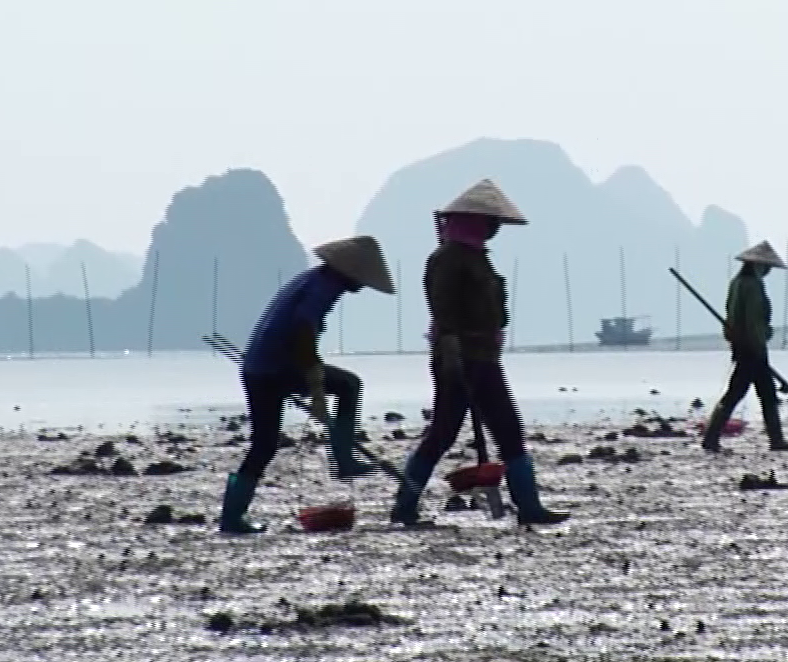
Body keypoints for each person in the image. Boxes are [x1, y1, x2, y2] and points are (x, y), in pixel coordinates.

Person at [391, 179, 569, 527]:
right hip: (459, 358)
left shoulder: (476, 258)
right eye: (491, 222)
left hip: (484, 357)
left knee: (505, 430)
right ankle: (405, 505)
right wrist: (454, 351)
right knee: (444, 432)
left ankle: (529, 505)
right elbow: (442, 308)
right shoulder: (446, 258)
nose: (495, 228)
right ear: (474, 221)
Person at [220, 235, 395, 534]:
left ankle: (231, 516)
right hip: (278, 367)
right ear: (350, 271)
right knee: (349, 385)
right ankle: (342, 458)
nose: (362, 285)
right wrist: (315, 388)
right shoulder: (326, 287)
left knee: (263, 446)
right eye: (362, 279)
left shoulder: (310, 279)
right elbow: (303, 332)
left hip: (257, 367)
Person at [700, 241, 788, 453]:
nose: (768, 271)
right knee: (739, 393)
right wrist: (759, 345)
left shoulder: (737, 283)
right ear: (758, 266)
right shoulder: (752, 286)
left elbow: (731, 317)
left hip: (742, 345)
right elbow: (753, 321)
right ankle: (711, 438)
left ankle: (775, 439)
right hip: (753, 347)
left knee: (762, 392)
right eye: (766, 267)